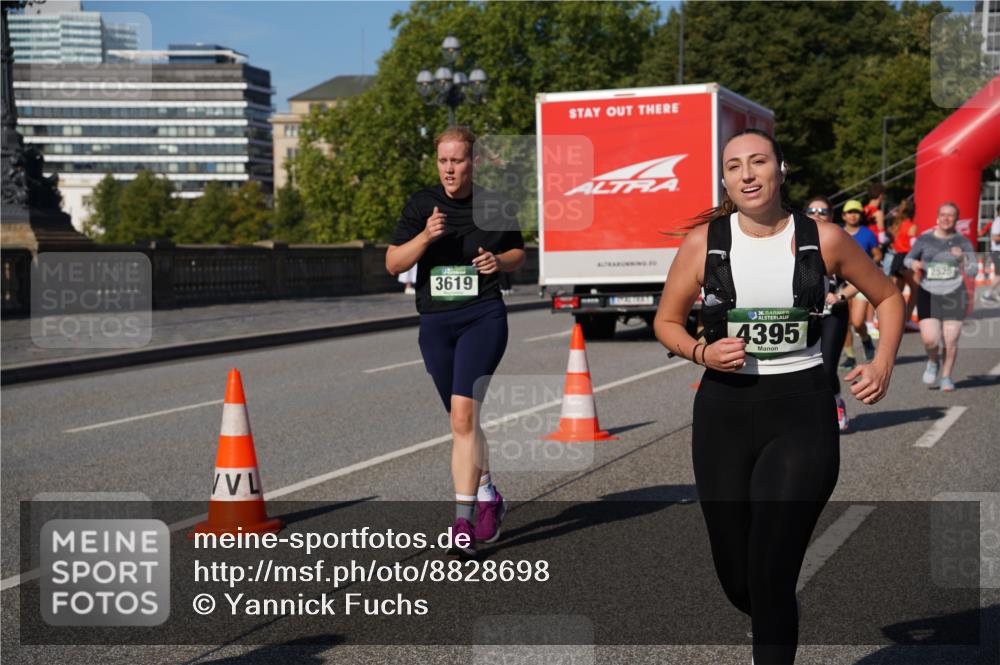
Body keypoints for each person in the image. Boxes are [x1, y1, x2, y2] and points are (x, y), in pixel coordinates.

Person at [654, 129, 903, 665]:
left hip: (801, 413)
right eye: (734, 166)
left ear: (781, 170)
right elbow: (666, 321)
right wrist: (702, 352)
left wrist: (882, 362)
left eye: (758, 162)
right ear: (725, 180)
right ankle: (771, 620)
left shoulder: (824, 238)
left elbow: (888, 297)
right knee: (737, 577)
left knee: (771, 573)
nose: (747, 174)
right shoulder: (704, 243)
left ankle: (772, 635)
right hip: (723, 412)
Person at [386, 125, 525, 554]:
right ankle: (488, 494)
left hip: (482, 317)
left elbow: (519, 253)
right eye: (443, 161)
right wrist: (425, 236)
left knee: (463, 419)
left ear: (474, 162)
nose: (449, 169)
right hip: (436, 324)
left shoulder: (494, 204)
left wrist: (498, 261)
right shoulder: (421, 205)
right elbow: (393, 263)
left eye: (457, 161)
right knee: (462, 421)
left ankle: (463, 523)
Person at [904, 202, 977, 392]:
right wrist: (913, 264)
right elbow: (908, 258)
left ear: (956, 219)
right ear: (938, 217)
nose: (946, 218)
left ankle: (946, 376)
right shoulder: (925, 238)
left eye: (950, 215)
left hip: (954, 293)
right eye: (943, 214)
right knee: (930, 339)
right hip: (928, 292)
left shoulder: (963, 242)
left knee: (950, 340)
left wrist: (963, 258)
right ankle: (932, 361)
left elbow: (973, 270)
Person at [805, 196, 851, 431]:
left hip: (833, 313)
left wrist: (841, 295)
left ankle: (836, 402)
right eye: (812, 210)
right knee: (803, 368)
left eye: (823, 211)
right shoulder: (793, 242)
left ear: (831, 217)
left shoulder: (841, 242)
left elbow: (864, 280)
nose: (817, 214)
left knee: (827, 367)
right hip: (804, 315)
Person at [839, 199, 881, 369]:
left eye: (856, 212)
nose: (853, 215)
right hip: (841, 281)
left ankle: (865, 339)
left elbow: (877, 254)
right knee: (844, 322)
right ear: (843, 215)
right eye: (850, 212)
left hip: (862, 282)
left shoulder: (868, 234)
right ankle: (850, 357)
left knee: (857, 322)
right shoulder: (837, 232)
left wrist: (870, 264)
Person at [885, 197, 920, 328]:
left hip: (896, 259)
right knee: (915, 289)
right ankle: (907, 319)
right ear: (913, 212)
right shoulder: (912, 226)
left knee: (897, 292)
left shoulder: (897, 226)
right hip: (906, 258)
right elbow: (913, 245)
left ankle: (890, 318)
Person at [982, 205, 1000, 304]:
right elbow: (995, 238)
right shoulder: (998, 221)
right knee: (999, 275)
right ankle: (987, 294)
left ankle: (996, 294)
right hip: (997, 252)